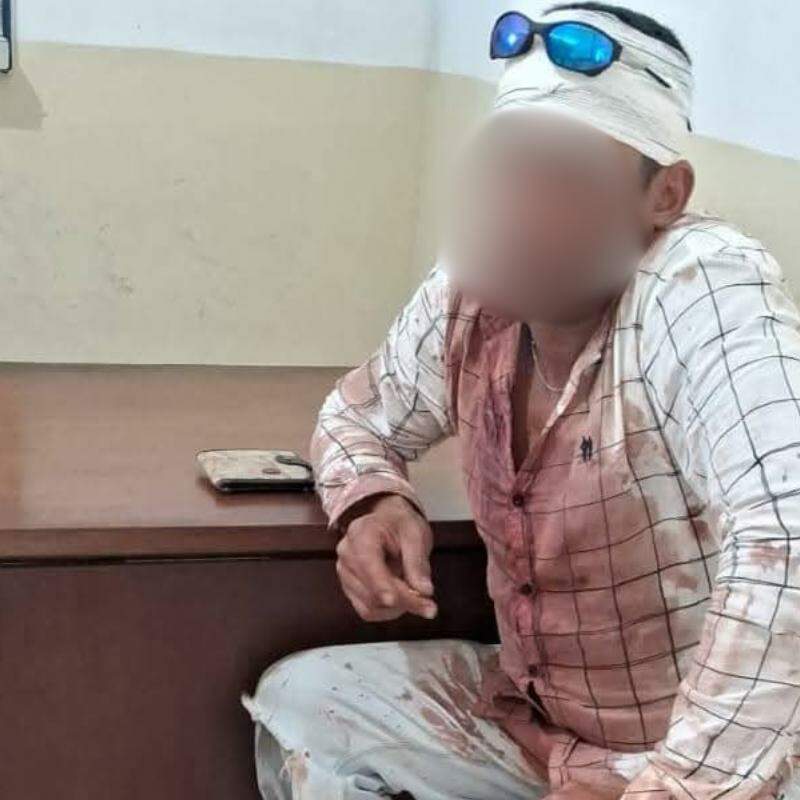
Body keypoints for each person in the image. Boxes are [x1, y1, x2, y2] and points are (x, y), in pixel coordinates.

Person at [243, 4, 800, 799]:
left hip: (706, 762)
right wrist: (370, 501)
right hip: (537, 728)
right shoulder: (474, 290)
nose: (517, 210)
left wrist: (674, 786)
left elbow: (787, 533)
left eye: (564, 177)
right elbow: (357, 414)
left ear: (663, 197)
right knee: (306, 706)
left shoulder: (700, 284)